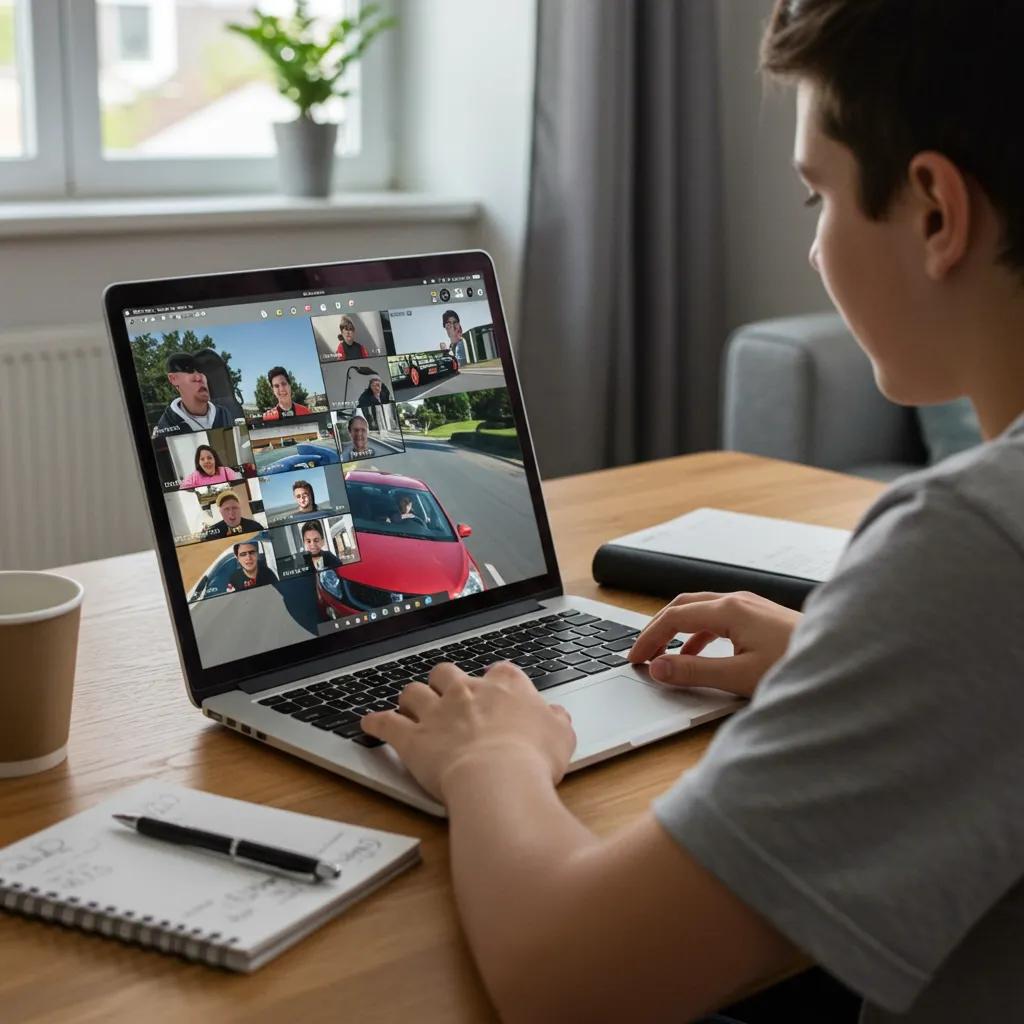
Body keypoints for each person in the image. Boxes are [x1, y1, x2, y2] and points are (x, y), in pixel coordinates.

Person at [359, 3, 1024, 1022]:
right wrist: (846, 658)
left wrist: (491, 758)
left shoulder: (974, 544)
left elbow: (570, 982)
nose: (811, 249)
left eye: (817, 198)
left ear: (936, 211)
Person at [153, 353, 233, 435]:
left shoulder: (224, 414)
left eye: (202, 371)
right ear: (173, 379)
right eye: (188, 370)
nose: (199, 378)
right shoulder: (165, 425)